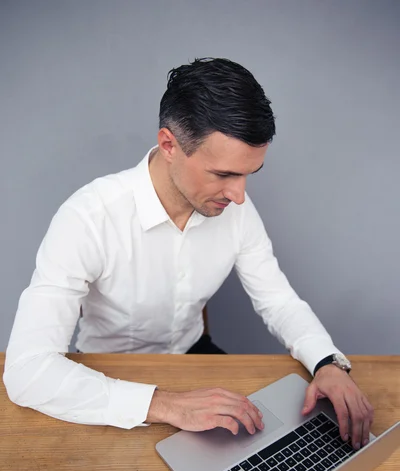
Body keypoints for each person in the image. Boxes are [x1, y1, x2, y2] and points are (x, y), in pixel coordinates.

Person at [3, 57, 373, 449]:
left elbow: (278, 300)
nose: (239, 195)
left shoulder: (236, 211)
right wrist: (166, 404)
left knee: (266, 452)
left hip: (196, 356)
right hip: (107, 372)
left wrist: (327, 363)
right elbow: (27, 371)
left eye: (249, 174)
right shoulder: (87, 218)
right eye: (224, 174)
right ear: (169, 145)